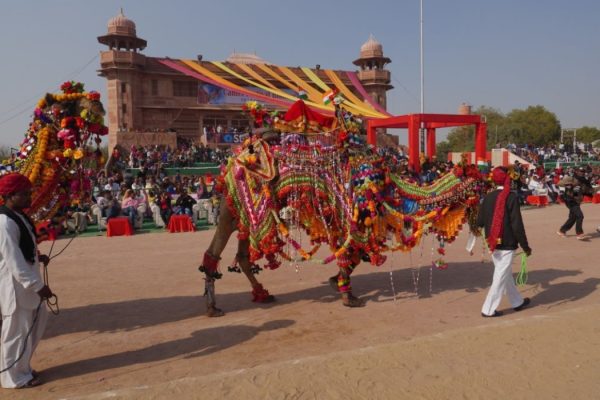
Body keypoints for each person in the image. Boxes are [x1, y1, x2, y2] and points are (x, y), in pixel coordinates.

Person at [0, 173, 53, 388]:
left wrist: (37, 256)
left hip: (28, 284)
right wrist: (38, 286)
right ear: (11, 195)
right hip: (16, 286)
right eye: (25, 193)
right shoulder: (4, 222)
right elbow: (14, 263)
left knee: (35, 324)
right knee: (16, 332)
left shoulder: (18, 216)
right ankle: (13, 378)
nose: (30, 197)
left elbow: (23, 249)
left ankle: (22, 368)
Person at [476, 167, 532, 317]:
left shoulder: (488, 197)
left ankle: (517, 302)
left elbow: (479, 221)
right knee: (500, 275)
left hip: (493, 242)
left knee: (504, 273)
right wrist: (525, 246)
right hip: (507, 243)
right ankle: (488, 309)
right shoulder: (511, 196)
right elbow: (516, 224)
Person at [557, 168, 592, 240]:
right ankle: (579, 234)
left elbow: (585, 191)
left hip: (575, 201)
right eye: (580, 171)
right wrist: (569, 185)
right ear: (577, 172)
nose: (582, 173)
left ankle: (562, 230)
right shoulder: (571, 179)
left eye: (583, 171)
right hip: (570, 201)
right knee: (580, 216)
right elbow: (559, 183)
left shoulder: (583, 181)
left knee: (573, 217)